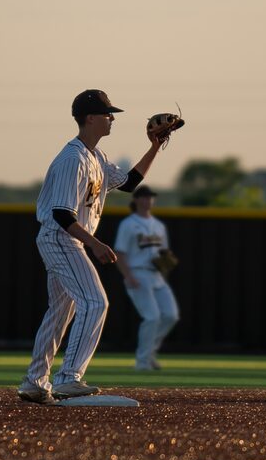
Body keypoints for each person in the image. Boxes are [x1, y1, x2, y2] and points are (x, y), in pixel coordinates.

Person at [18, 89, 167, 405]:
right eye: (107, 113)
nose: (112, 118)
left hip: (67, 238)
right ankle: (69, 377)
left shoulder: (95, 156)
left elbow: (127, 183)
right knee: (95, 302)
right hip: (61, 237)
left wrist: (154, 147)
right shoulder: (73, 158)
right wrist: (95, 244)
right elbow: (61, 213)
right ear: (89, 118)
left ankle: (34, 381)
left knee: (60, 312)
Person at [114, 185, 180, 371]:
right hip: (137, 272)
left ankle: (149, 352)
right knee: (152, 317)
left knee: (171, 315)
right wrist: (128, 276)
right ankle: (142, 361)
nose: (147, 200)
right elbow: (120, 252)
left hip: (157, 275)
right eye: (143, 197)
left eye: (150, 197)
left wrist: (165, 270)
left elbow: (163, 253)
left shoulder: (158, 226)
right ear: (136, 200)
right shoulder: (129, 224)